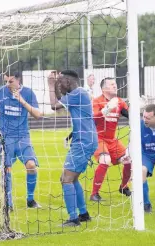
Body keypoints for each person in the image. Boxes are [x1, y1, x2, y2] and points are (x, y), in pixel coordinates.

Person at [48, 70, 98, 227]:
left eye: (61, 82)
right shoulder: (79, 94)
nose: (59, 86)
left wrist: (50, 85)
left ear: (68, 82)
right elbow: (62, 100)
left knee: (66, 179)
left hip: (83, 142)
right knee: (72, 178)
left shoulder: (77, 93)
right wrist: (70, 136)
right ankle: (83, 214)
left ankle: (73, 219)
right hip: (83, 139)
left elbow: (54, 105)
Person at [0, 72, 42, 210]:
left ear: (18, 80)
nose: (7, 84)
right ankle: (9, 203)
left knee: (31, 165)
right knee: (6, 169)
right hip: (5, 137)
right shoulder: (0, 93)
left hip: (22, 136)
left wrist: (21, 100)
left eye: (10, 81)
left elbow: (38, 115)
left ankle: (30, 200)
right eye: (6, 81)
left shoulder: (28, 93)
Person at [90, 77, 131, 201]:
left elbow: (130, 115)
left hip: (112, 140)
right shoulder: (97, 101)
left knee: (129, 160)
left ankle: (123, 187)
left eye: (115, 84)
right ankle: (94, 194)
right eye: (112, 84)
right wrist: (106, 109)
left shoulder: (119, 101)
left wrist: (139, 108)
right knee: (105, 160)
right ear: (104, 89)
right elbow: (92, 119)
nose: (115, 86)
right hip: (98, 138)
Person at [64, 73, 95, 148]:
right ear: (87, 80)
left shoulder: (91, 89)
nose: (93, 81)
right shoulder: (84, 89)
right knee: (79, 130)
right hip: (80, 114)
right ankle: (71, 143)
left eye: (94, 79)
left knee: (82, 130)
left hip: (88, 113)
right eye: (92, 79)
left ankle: (68, 141)